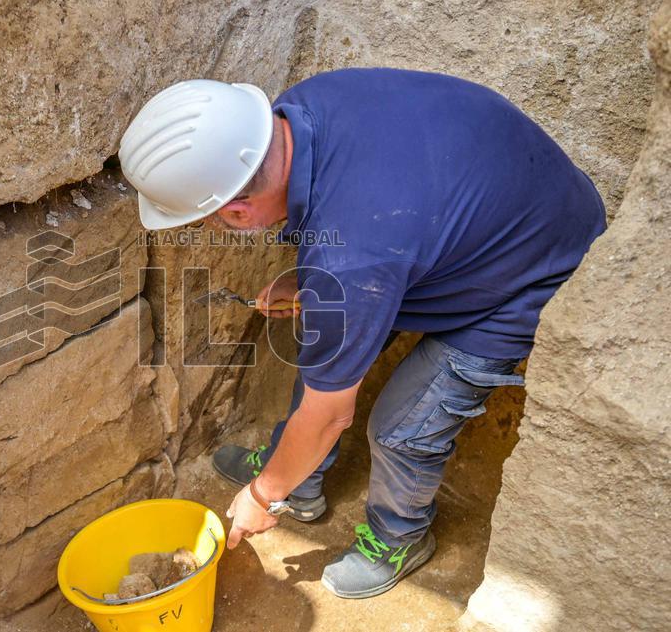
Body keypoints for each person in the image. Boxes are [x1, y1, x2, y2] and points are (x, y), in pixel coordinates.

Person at [117, 69, 606, 599]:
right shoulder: (298, 111)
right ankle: (298, 479)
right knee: (325, 343)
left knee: (401, 427)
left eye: (207, 220)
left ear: (236, 210)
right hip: (484, 222)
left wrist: (261, 496)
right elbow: (368, 237)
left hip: (536, 273)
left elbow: (332, 411)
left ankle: (400, 536)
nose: (211, 228)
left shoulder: (354, 260)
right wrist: (314, 285)